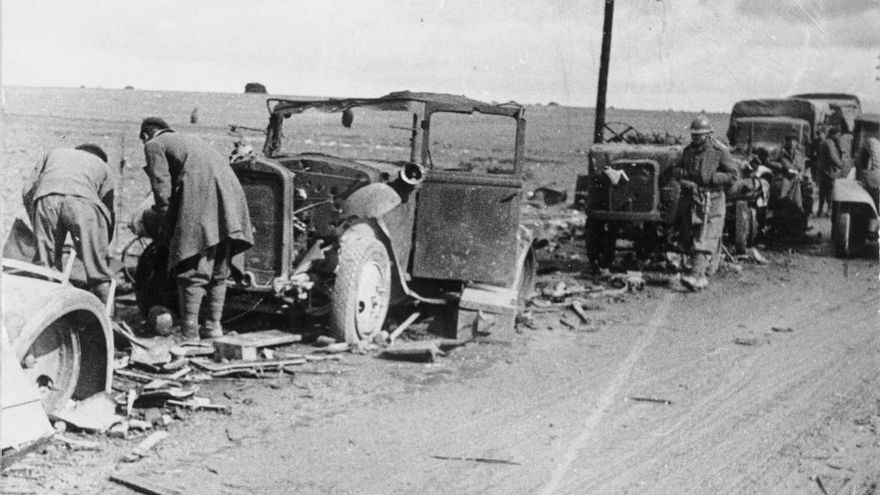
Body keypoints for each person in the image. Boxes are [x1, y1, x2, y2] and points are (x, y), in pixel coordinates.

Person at [140, 117, 254, 339]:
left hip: (202, 195)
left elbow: (161, 187)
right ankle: (213, 327)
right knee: (219, 269)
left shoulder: (154, 144)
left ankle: (190, 331)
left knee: (192, 267)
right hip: (231, 195)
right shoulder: (188, 139)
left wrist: (167, 225)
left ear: (145, 135)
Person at [23, 144, 115, 302]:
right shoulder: (103, 167)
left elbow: (27, 189)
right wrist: (101, 246)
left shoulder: (54, 152)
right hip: (84, 203)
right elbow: (107, 211)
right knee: (98, 272)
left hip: (47, 198)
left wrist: (36, 220)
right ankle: (108, 319)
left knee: (44, 264)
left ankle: (46, 308)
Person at [672, 115, 738, 291]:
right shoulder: (688, 151)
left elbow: (733, 175)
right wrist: (684, 175)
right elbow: (676, 171)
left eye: (700, 135)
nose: (696, 138)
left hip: (713, 201)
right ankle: (703, 274)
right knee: (692, 237)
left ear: (709, 135)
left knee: (705, 238)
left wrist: (714, 178)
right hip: (692, 201)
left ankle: (695, 275)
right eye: (694, 135)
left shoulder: (720, 151)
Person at [814, 126, 843, 217]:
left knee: (822, 192)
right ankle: (829, 211)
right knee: (830, 191)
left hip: (822, 170)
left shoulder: (824, 142)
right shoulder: (830, 143)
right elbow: (832, 156)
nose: (838, 137)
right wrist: (840, 165)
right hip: (828, 171)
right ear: (833, 134)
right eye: (838, 135)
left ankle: (820, 211)